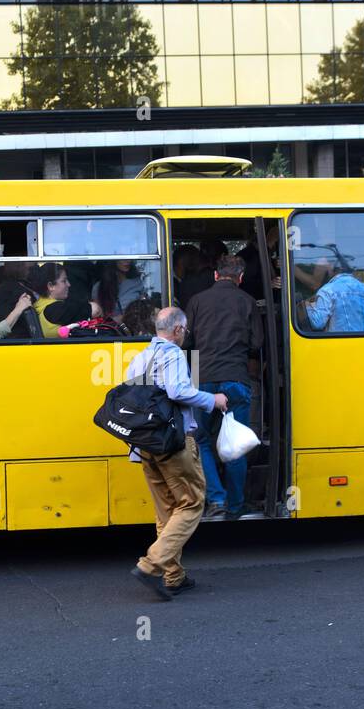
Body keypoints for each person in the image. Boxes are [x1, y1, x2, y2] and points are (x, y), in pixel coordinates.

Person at [125, 307, 228, 601]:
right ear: (178, 330)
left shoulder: (139, 358)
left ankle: (173, 576)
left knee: (167, 511)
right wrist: (214, 399)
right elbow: (178, 390)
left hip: (147, 444)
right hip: (173, 443)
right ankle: (150, 565)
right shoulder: (171, 354)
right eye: (185, 331)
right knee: (192, 504)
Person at [188, 254, 263, 520]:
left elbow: (188, 341)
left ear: (216, 275)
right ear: (240, 278)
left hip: (203, 381)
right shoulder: (247, 301)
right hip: (236, 379)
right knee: (235, 443)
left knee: (202, 441)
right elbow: (256, 344)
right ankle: (235, 504)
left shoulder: (197, 301)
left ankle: (216, 500)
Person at [31, 262, 102, 338]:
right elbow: (96, 310)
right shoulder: (56, 309)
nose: (69, 284)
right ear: (51, 286)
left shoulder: (39, 304)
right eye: (64, 281)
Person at [302, 263, 364, 333]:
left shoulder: (327, 290)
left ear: (332, 271)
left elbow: (317, 324)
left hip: (339, 344)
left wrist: (307, 306)